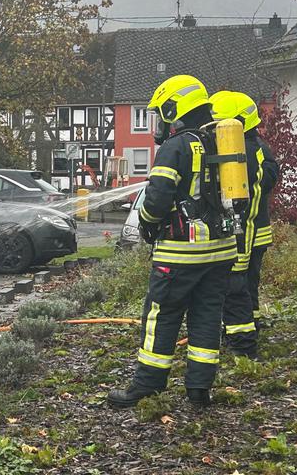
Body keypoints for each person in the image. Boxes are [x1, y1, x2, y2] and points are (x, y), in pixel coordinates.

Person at [107, 74, 237, 409]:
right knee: (207, 315)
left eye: (162, 111)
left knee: (161, 315)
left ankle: (147, 386)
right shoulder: (222, 141)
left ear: (174, 107)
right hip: (221, 250)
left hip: (181, 252)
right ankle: (198, 389)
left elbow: (158, 196)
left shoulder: (176, 146)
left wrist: (148, 224)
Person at [210, 91, 279, 358]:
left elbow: (242, 200)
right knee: (248, 284)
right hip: (255, 231)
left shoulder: (243, 152)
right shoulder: (259, 148)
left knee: (236, 284)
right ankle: (251, 325)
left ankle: (242, 341)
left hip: (245, 232)